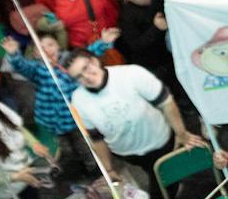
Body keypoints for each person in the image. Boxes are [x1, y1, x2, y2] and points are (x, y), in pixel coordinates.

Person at [64, 47, 207, 174]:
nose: (86, 77)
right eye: (79, 77)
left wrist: (181, 133)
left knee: (170, 176)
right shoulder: (78, 100)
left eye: (86, 68)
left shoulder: (131, 73)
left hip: (160, 142)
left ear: (94, 61)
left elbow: (166, 102)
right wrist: (109, 169)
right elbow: (96, 138)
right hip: (127, 154)